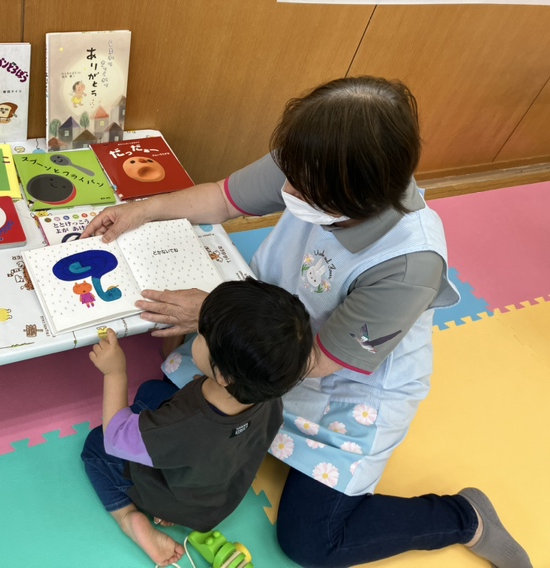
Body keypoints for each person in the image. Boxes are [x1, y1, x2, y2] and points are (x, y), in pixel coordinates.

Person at [81, 76, 532, 567]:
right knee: (172, 404)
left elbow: (317, 362)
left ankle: (464, 518)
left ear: (350, 196)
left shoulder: (408, 264)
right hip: (269, 339)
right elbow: (223, 199)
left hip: (342, 381)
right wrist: (143, 210)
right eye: (290, 171)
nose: (286, 187)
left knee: (311, 542)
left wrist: (211, 316)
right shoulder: (318, 155)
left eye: (302, 185)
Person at [80, 278, 313, 567]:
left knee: (95, 447)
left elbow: (116, 437)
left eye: (200, 335)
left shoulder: (183, 426)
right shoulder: (269, 394)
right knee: (152, 391)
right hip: (214, 500)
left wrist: (115, 372)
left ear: (224, 377)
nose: (196, 334)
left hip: (173, 499)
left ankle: (128, 517)